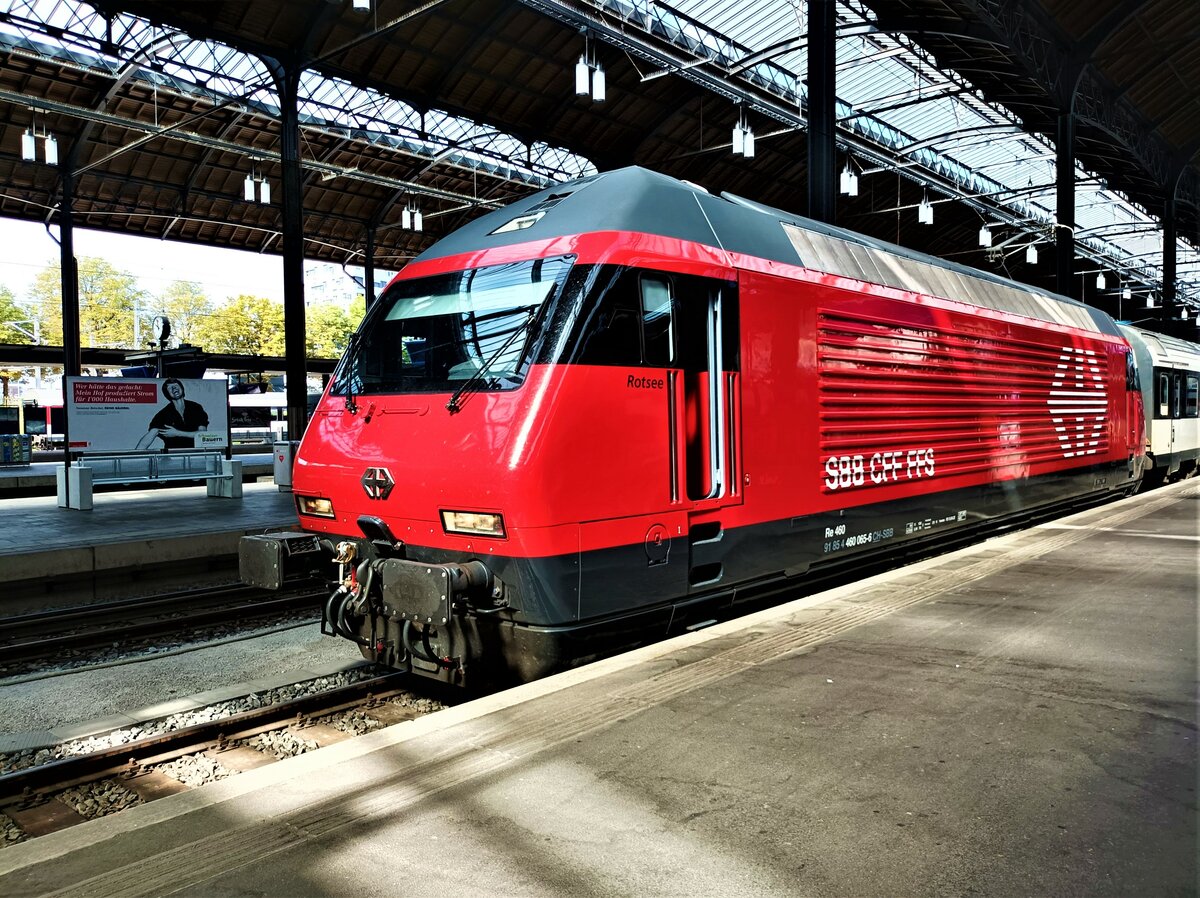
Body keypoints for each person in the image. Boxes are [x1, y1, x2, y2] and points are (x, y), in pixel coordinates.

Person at [136, 378, 209, 450]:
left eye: (176, 386)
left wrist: (177, 433)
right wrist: (133, 457)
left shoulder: (196, 407)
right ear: (167, 394)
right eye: (170, 388)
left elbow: (202, 434)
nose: (174, 388)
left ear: (182, 389)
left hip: (196, 455)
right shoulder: (163, 414)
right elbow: (147, 439)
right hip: (173, 458)